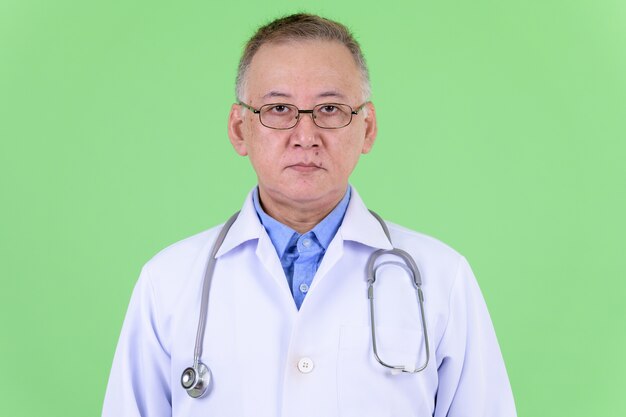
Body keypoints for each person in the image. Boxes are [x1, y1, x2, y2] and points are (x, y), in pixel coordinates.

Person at [102, 13, 516, 417]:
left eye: (330, 109)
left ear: (367, 128)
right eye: (278, 109)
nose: (305, 137)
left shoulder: (443, 278)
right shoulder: (167, 282)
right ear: (239, 129)